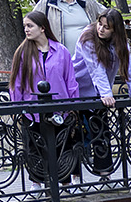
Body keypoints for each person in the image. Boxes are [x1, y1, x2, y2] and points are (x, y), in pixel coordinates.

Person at [71, 8, 131, 175]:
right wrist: (106, 93)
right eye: (100, 24)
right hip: (78, 88)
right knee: (76, 134)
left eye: (106, 27)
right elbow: (95, 67)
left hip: (99, 92)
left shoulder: (120, 41)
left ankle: (104, 173)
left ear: (115, 30)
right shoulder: (88, 37)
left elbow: (128, 65)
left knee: (101, 131)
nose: (101, 29)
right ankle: (74, 177)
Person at [8, 11, 80, 185]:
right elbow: (16, 83)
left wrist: (73, 106)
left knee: (62, 146)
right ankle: (37, 183)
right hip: (33, 111)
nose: (26, 29)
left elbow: (70, 80)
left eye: (30, 25)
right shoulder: (23, 52)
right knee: (35, 148)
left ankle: (65, 183)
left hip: (59, 110)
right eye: (25, 26)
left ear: (42, 28)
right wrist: (19, 109)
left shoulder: (61, 51)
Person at [30, 0, 105, 58]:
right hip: (59, 59)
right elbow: (31, 25)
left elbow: (109, 17)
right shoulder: (46, 4)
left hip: (89, 59)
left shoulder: (86, 1)